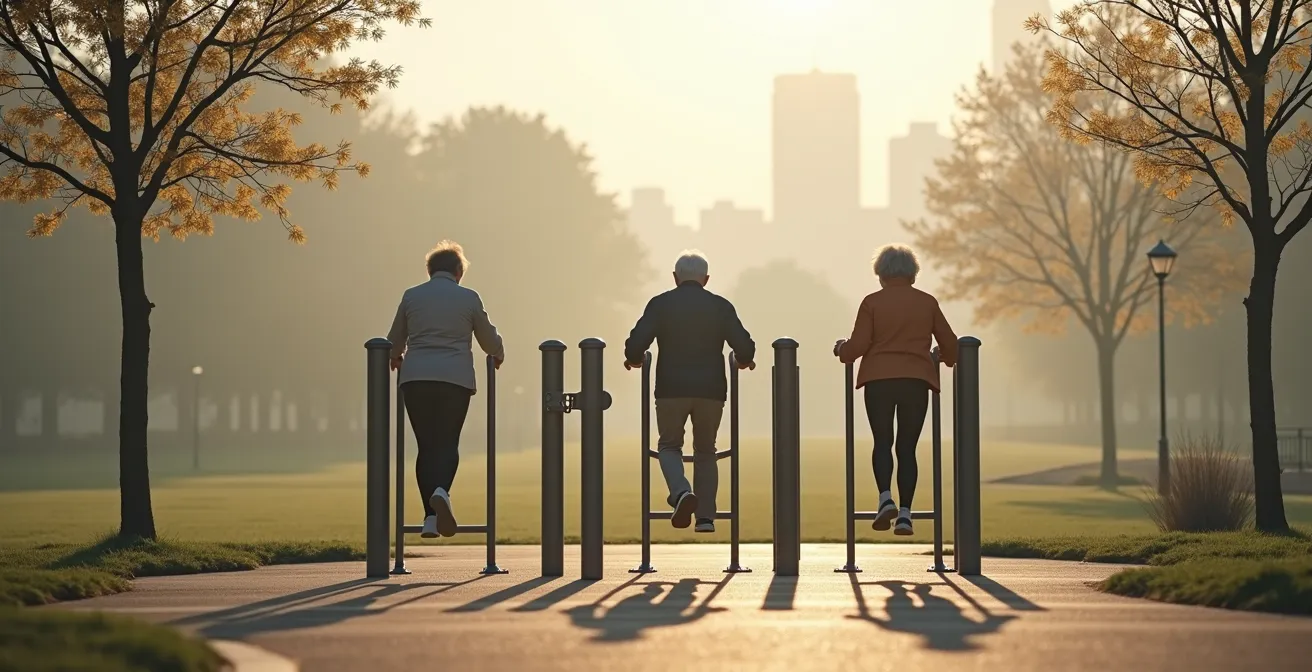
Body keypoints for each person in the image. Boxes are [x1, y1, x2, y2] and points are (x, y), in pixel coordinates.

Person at [624, 250, 756, 533]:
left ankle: (681, 492)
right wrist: (744, 361)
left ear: (675, 277)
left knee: (669, 446)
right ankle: (705, 518)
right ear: (706, 279)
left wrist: (635, 360)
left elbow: (634, 347)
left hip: (670, 388)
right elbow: (745, 348)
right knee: (706, 450)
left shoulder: (661, 304)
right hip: (711, 390)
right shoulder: (720, 306)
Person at [834, 244, 957, 536]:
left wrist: (842, 350)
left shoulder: (872, 303)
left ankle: (885, 497)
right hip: (916, 379)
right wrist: (944, 357)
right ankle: (905, 514)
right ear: (912, 274)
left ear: (881, 274)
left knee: (882, 441)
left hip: (879, 379)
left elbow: (858, 345)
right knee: (907, 447)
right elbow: (951, 345)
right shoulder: (927, 303)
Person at [387, 241, 504, 538]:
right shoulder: (468, 298)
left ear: (429, 271)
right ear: (458, 271)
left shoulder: (412, 296)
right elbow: (488, 339)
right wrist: (498, 352)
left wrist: (396, 356)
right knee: (448, 442)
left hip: (416, 378)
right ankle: (441, 492)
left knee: (426, 446)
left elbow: (395, 339)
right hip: (455, 379)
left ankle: (430, 518)